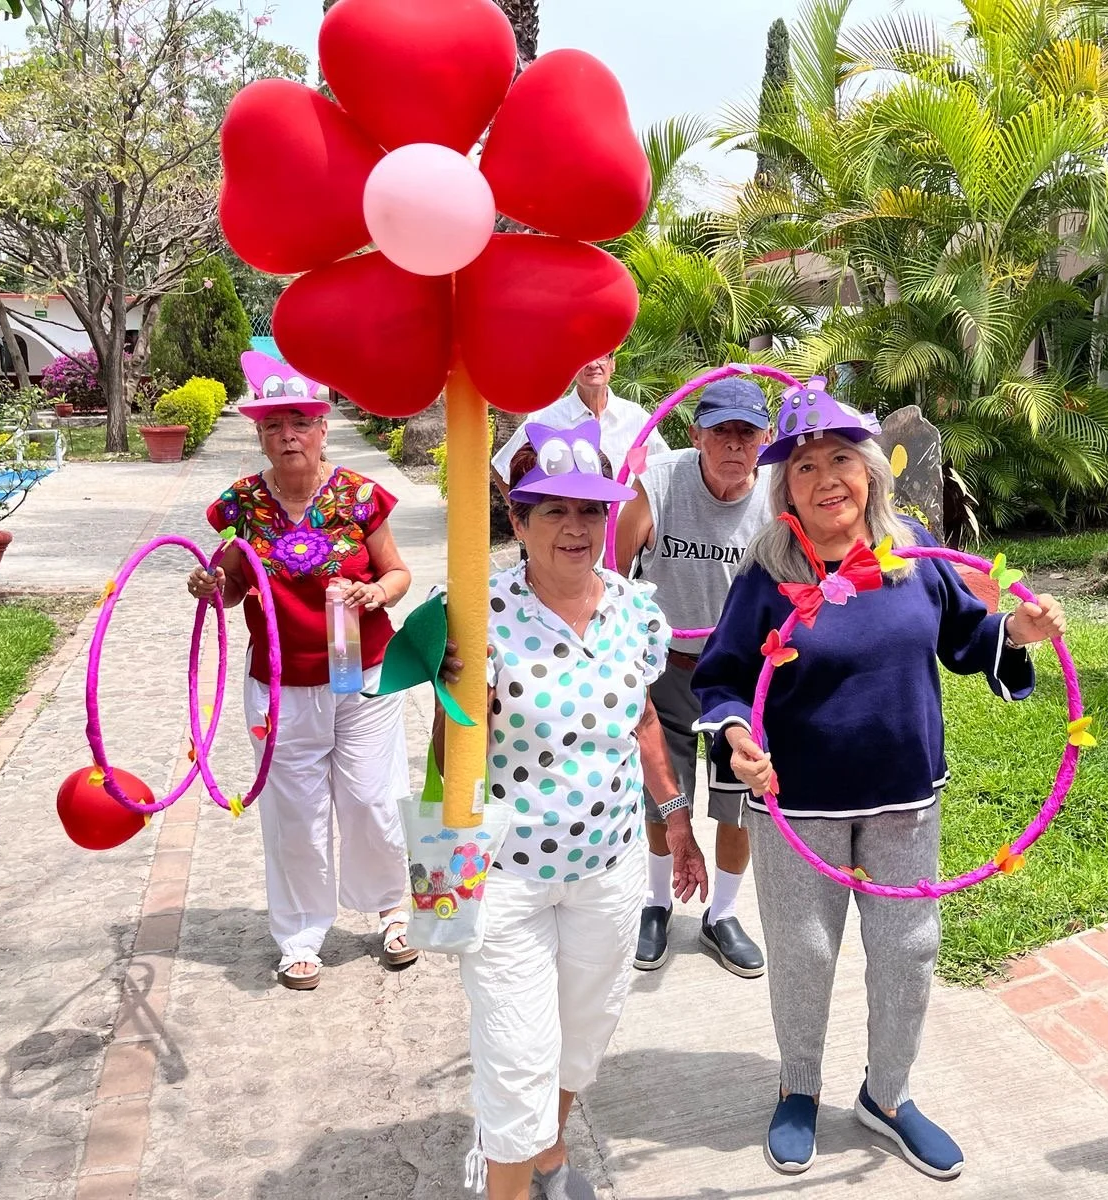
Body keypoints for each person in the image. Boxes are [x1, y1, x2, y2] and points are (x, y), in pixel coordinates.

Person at [691, 381, 1066, 1180]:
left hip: (904, 800)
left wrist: (1015, 631)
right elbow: (721, 680)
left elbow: (969, 639)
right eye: (804, 467)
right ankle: (799, 1087)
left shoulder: (914, 553)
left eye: (840, 460)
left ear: (869, 471)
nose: (826, 478)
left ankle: (888, 1096)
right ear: (783, 487)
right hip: (798, 803)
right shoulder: (766, 574)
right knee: (803, 953)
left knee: (909, 950)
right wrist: (734, 734)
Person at [445, 419, 709, 1200]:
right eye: (552, 510)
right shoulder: (473, 612)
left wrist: (676, 818)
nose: (574, 526)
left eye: (590, 510)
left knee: (583, 1038)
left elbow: (645, 721)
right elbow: (445, 759)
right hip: (506, 877)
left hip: (609, 867)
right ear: (517, 521)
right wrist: (457, 699)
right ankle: (510, 1178)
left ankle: (551, 1151)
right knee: (517, 1058)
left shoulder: (636, 612)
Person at [189, 359, 419, 990]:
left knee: (372, 799)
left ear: (324, 430)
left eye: (300, 422)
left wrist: (380, 596)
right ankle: (300, 935)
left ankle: (391, 908)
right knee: (296, 811)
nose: (287, 434)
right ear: (260, 435)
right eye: (273, 424)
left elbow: (397, 572)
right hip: (279, 681)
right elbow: (232, 588)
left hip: (364, 674)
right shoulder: (240, 504)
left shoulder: (360, 496)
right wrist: (210, 586)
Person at [613, 377, 771, 977]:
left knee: (739, 803)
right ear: (696, 432)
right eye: (721, 431)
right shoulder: (657, 483)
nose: (733, 444)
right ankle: (657, 903)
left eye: (746, 432)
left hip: (741, 675)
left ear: (765, 438)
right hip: (666, 669)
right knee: (664, 793)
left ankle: (722, 914)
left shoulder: (777, 498)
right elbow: (616, 577)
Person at [489, 350, 669, 501]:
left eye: (603, 355)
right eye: (583, 357)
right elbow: (501, 468)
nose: (593, 364)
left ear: (613, 364)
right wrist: (526, 524)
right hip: (570, 538)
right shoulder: (545, 418)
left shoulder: (635, 417)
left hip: (626, 537)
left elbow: (665, 469)